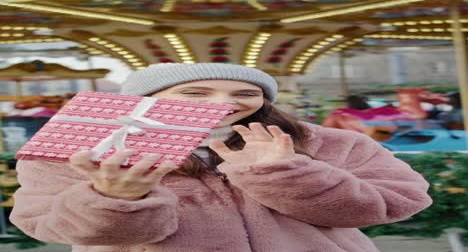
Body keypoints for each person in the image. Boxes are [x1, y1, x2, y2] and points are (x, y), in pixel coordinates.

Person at [10, 63, 432, 252]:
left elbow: (399, 200)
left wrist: (285, 173)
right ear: (146, 101)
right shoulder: (77, 147)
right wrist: (115, 198)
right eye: (196, 93)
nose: (224, 103)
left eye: (244, 94)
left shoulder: (328, 142)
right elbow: (45, 225)